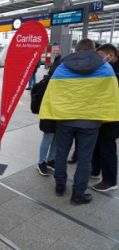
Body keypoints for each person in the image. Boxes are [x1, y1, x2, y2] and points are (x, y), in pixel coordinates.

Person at [39, 38, 119, 205]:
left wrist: (53, 113)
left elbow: (52, 93)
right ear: (93, 49)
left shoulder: (62, 66)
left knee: (61, 153)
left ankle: (60, 185)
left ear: (77, 50)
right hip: (90, 122)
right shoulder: (105, 68)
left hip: (65, 119)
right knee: (85, 158)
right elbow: (111, 96)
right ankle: (78, 194)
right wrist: (105, 117)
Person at [91, 44, 119, 192]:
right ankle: (95, 170)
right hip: (101, 114)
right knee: (97, 143)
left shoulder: (115, 71)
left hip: (113, 116)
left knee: (107, 146)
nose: (99, 60)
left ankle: (110, 180)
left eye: (101, 57)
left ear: (111, 55)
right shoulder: (106, 68)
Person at [36, 56, 62, 176]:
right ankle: (41, 162)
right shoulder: (48, 81)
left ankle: (51, 160)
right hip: (49, 114)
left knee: (56, 138)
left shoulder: (65, 79)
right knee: (48, 137)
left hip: (60, 114)